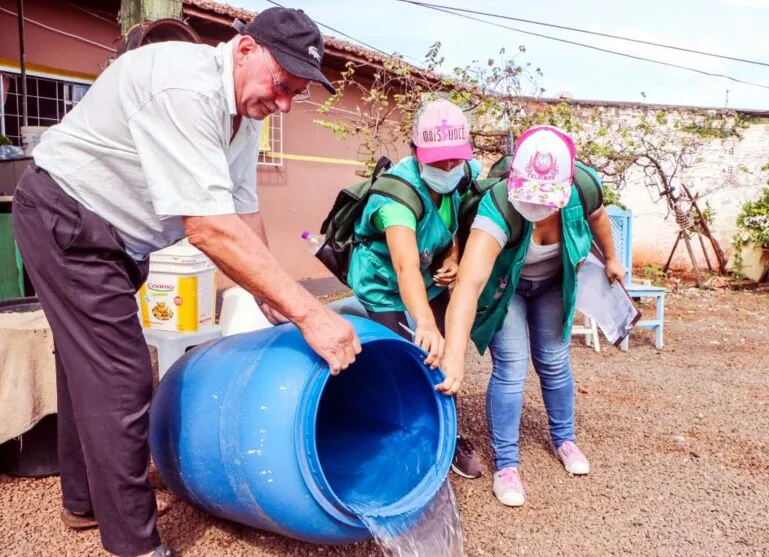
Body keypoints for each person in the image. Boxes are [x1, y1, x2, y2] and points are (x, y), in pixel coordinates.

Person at [12, 8, 361, 557]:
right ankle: (134, 544)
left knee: (89, 370)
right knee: (123, 381)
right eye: (282, 83)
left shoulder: (242, 115)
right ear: (245, 49)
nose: (286, 102)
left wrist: (273, 294)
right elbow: (207, 228)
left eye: (297, 92)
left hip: (115, 236)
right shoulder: (183, 88)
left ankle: (84, 501)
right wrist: (311, 313)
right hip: (68, 219)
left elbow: (242, 213)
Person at [437, 125, 626, 507]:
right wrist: (454, 356)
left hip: (555, 283)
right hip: (508, 288)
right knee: (512, 368)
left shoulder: (583, 188)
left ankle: (564, 439)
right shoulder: (499, 205)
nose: (538, 207)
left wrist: (613, 259)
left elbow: (599, 217)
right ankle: (506, 464)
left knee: (555, 361)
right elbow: (470, 285)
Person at [346, 99, 484, 479]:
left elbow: (450, 228)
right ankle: (397, 432)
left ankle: (447, 435)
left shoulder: (461, 174)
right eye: (439, 163)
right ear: (415, 152)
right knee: (401, 356)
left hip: (429, 274)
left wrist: (452, 258)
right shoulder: (396, 199)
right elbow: (404, 265)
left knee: (445, 351)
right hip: (384, 283)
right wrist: (423, 321)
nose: (448, 169)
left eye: (455, 162)